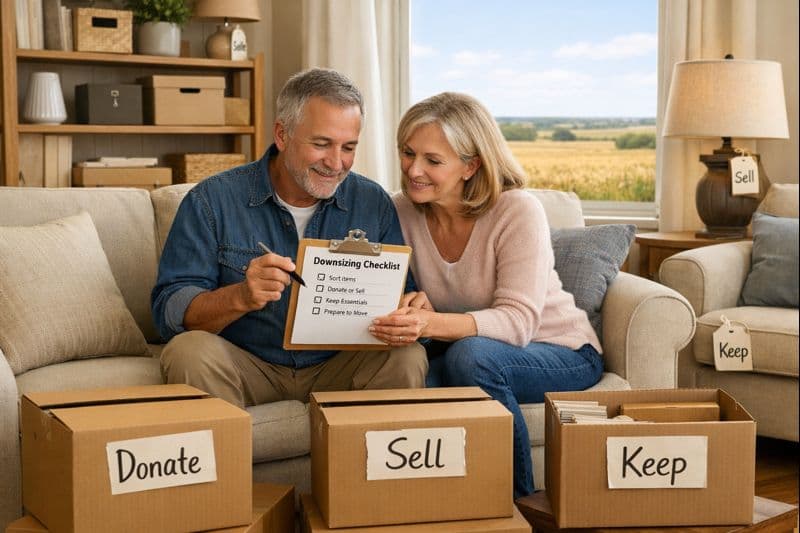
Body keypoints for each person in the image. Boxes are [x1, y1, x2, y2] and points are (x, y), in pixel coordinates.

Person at [368, 92, 603, 498]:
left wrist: (432, 321)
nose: (413, 169)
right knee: (408, 379)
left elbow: (517, 323)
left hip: (559, 351)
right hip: (468, 353)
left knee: (470, 356)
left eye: (433, 160)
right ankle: (424, 509)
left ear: (470, 165)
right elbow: (398, 290)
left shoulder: (516, 211)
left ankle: (518, 507)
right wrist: (411, 305)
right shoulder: (401, 210)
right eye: (408, 153)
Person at [152, 68, 427, 409]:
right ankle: (224, 461)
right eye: (322, 144)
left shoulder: (373, 203)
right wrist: (240, 296)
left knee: (407, 356)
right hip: (248, 364)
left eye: (348, 147)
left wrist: (411, 308)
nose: (336, 163)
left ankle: (370, 463)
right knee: (189, 351)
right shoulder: (212, 200)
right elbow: (170, 310)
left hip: (338, 367)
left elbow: (401, 294)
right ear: (282, 135)